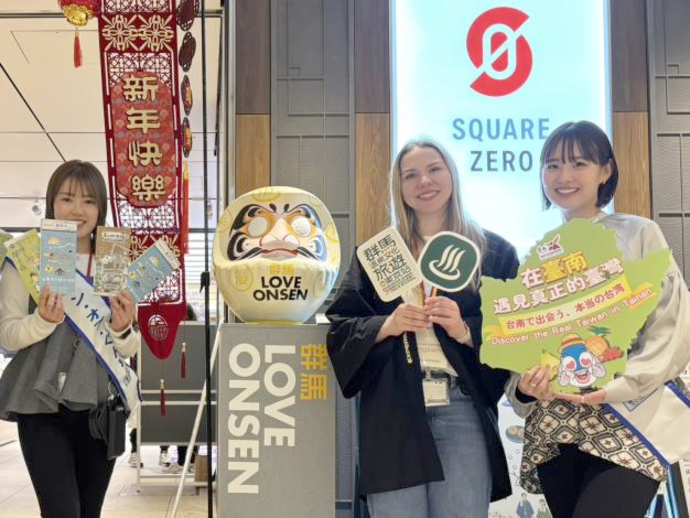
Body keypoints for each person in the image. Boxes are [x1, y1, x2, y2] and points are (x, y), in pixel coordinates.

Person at [327, 139, 519, 518]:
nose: (424, 182)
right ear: (399, 188)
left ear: (452, 175)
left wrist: (465, 329)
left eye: (434, 169)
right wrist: (387, 324)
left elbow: (515, 329)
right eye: (410, 175)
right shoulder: (379, 254)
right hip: (393, 409)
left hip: (461, 406)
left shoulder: (492, 252)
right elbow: (342, 327)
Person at [511, 121, 690, 518]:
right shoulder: (537, 257)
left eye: (579, 163)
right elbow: (521, 348)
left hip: (631, 416)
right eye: (553, 165)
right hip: (558, 423)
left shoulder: (639, 234)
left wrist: (619, 384)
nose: (564, 176)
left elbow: (671, 325)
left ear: (605, 170)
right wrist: (525, 385)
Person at [0, 160, 140, 517]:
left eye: (89, 201)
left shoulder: (113, 261)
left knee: (89, 512)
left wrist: (123, 327)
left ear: (100, 208)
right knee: (62, 511)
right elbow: (8, 337)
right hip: (41, 405)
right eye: (67, 198)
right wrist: (42, 321)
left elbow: (129, 348)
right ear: (52, 203)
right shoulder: (28, 258)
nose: (78, 210)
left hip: (99, 408)